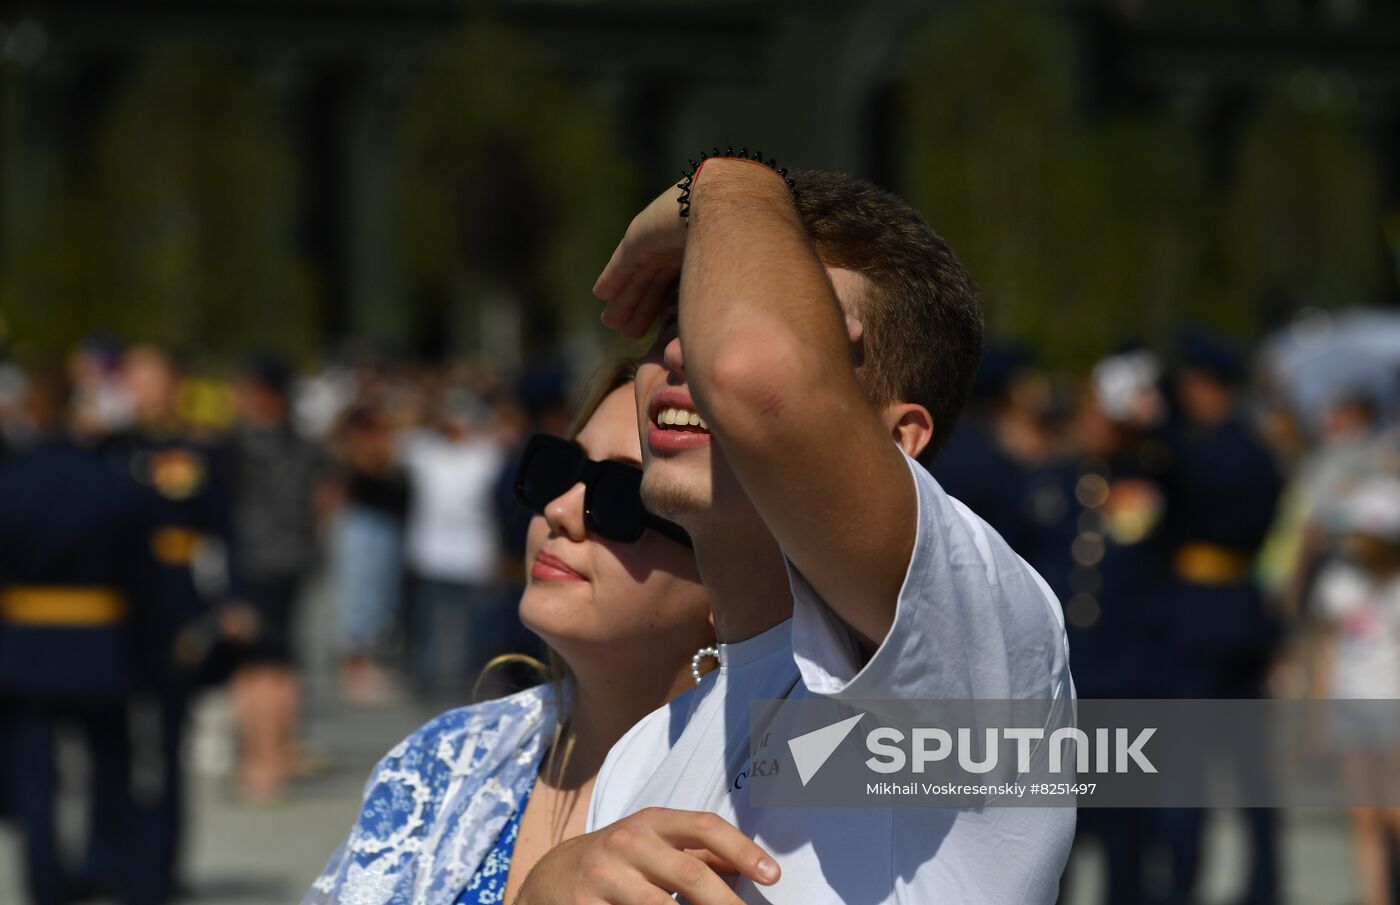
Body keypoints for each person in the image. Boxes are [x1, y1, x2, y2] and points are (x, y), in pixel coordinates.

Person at [517, 161, 1074, 905]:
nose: (689, 354)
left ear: (898, 440)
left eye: (798, 329)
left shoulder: (974, 651)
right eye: (677, 323)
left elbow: (753, 375)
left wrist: (725, 186)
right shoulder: (647, 751)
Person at [304, 359, 716, 904]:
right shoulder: (442, 762)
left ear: (735, 567)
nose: (560, 508)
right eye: (560, 469)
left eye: (622, 495)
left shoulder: (797, 780)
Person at [0, 367, 159, 905]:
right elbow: (145, 578)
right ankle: (103, 867)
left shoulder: (12, 482)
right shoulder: (114, 484)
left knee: (36, 781)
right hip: (102, 645)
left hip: (27, 647)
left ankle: (46, 882)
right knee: (110, 769)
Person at [224, 356, 326, 802]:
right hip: (294, 559)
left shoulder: (240, 444)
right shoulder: (304, 444)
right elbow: (324, 501)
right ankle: (280, 756)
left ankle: (259, 763)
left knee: (252, 666)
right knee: (284, 662)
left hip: (250, 561)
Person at [1309, 477, 1400, 905]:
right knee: (1363, 817)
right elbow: (1326, 650)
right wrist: (1318, 711)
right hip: (1351, 708)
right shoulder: (1340, 582)